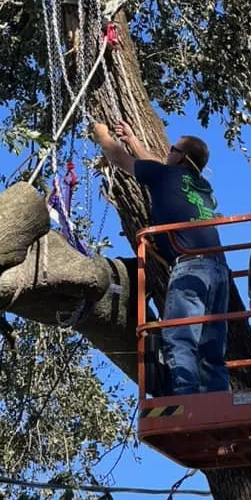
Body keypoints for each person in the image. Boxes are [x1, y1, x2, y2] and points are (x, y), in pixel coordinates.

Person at [91, 120, 229, 395]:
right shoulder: (199, 184)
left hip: (190, 268)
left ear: (181, 157)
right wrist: (132, 139)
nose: (167, 153)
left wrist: (102, 134)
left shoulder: (165, 176)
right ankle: (217, 401)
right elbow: (158, 166)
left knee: (180, 337)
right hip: (219, 271)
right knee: (211, 347)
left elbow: (118, 157)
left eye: (172, 149)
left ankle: (187, 399)